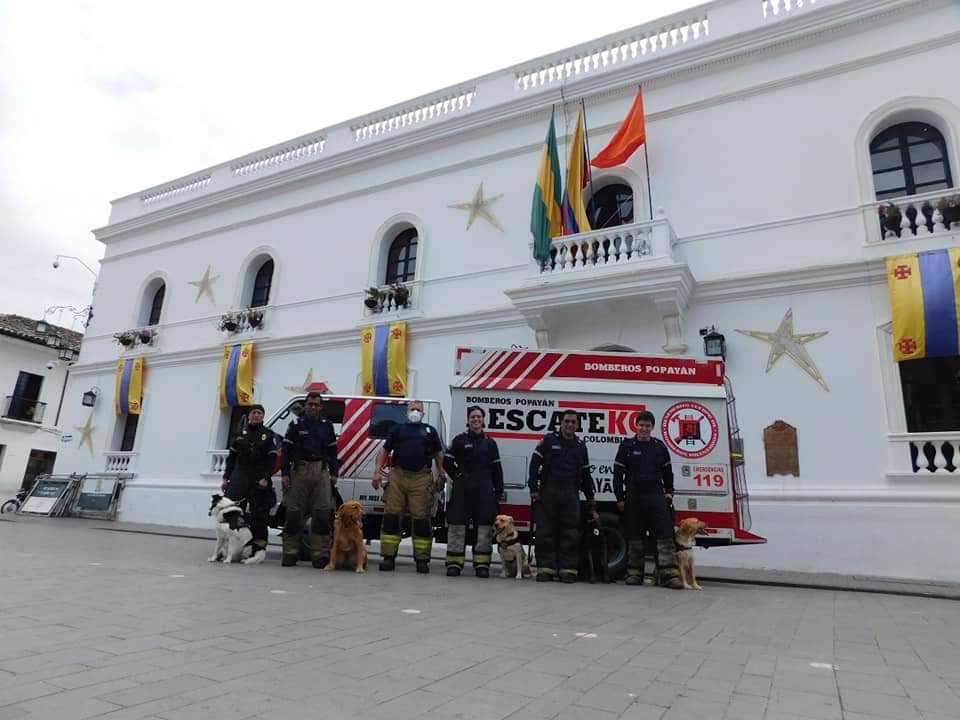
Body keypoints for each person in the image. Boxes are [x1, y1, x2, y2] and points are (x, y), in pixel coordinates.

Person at [613, 410, 683, 589]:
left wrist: (669, 492)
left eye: (647, 426)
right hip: (634, 496)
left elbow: (668, 471)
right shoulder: (627, 446)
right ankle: (635, 573)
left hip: (656, 495)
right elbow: (617, 474)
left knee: (664, 536)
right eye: (641, 425)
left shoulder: (659, 447)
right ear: (635, 426)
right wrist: (620, 498)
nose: (644, 428)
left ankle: (668, 574)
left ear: (652, 427)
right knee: (635, 536)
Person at [373, 400, 444, 573]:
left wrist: (441, 473)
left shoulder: (429, 431)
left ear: (423, 414)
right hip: (398, 476)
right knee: (391, 517)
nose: (415, 412)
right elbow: (384, 451)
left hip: (421, 478)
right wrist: (377, 471)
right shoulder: (397, 430)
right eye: (412, 409)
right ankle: (388, 558)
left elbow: (438, 453)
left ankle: (422, 560)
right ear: (406, 412)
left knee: (421, 520)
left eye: (418, 410)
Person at [528, 409, 595, 584]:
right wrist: (534, 489)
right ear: (560, 423)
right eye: (567, 421)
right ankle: (545, 569)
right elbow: (534, 465)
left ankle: (568, 570)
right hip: (548, 490)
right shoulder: (548, 441)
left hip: (571, 492)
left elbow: (586, 475)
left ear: (578, 425)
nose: (570, 425)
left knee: (570, 532)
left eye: (573, 422)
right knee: (545, 532)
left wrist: (590, 499)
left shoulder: (581, 446)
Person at [280, 392, 341, 568]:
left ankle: (320, 555)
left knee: (322, 514)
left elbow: (332, 452)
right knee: (293, 514)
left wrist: (334, 472)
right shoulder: (295, 425)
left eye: (316, 404)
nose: (313, 407)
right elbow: (286, 451)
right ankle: (290, 553)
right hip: (299, 470)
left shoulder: (327, 426)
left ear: (320, 407)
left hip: (320, 470)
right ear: (305, 406)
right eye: (310, 404)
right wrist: (285, 473)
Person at [443, 406, 503, 578]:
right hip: (462, 487)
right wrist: (457, 475)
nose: (476, 419)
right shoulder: (459, 440)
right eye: (472, 417)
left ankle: (482, 564)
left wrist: (498, 492)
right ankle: (454, 563)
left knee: (484, 527)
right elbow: (446, 462)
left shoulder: (490, 443)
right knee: (457, 526)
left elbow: (497, 469)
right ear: (468, 420)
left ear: (483, 420)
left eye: (479, 417)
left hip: (484, 488)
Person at [222, 404, 279, 559]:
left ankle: (258, 550)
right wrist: (226, 477)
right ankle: (231, 550)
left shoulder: (268, 435)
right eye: (253, 413)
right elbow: (232, 458)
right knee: (233, 514)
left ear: (263, 416)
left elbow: (272, 460)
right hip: (240, 477)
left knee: (259, 517)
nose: (256, 415)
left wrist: (266, 477)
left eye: (259, 413)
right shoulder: (240, 434)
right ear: (249, 416)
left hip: (259, 478)